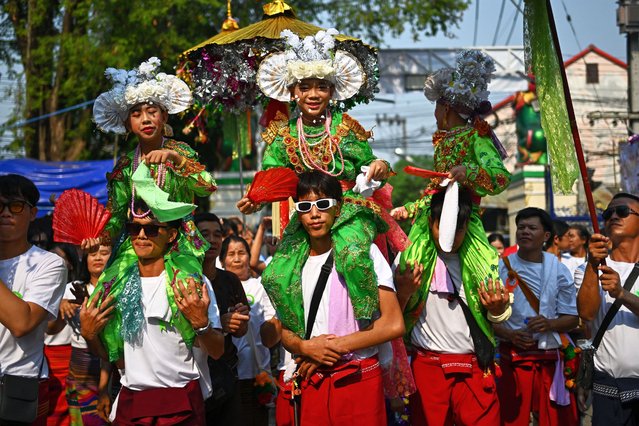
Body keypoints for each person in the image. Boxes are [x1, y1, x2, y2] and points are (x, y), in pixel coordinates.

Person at [239, 29, 407, 332]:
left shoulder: (346, 127)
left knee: (354, 256)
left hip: (347, 209)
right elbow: (273, 176)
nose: (313, 94)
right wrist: (257, 197)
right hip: (307, 212)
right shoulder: (283, 136)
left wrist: (379, 165)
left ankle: (367, 322)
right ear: (293, 92)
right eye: (305, 87)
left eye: (321, 87)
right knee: (275, 274)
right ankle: (297, 332)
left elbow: (368, 162)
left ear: (332, 91)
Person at [87, 57, 217, 364]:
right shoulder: (122, 168)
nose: (145, 118)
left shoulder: (181, 151)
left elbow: (208, 186)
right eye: (137, 113)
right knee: (102, 296)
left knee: (184, 289)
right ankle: (120, 365)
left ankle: (190, 356)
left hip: (178, 240)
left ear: (164, 116)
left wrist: (175, 159)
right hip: (137, 239)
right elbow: (118, 215)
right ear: (128, 123)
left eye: (152, 111)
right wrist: (97, 238)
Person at [262, 170, 405, 425]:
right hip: (311, 378)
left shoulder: (364, 253)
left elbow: (393, 324)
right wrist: (304, 347)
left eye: (323, 204)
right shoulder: (290, 264)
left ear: (338, 209)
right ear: (298, 213)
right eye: (305, 206)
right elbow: (283, 326)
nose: (314, 214)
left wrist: (335, 346)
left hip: (358, 378)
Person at [398, 49, 511, 342]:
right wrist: (411, 208)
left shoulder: (476, 137)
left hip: (465, 218)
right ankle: (405, 332)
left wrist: (468, 171)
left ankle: (490, 325)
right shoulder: (443, 143)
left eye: (436, 108)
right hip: (431, 218)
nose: (434, 115)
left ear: (446, 108)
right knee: (410, 264)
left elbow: (500, 178)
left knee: (484, 267)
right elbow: (438, 189)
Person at [80, 198, 225, 424]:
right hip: (131, 398)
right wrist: (89, 334)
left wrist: (201, 324)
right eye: (134, 228)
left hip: (181, 399)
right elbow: (109, 354)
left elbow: (217, 350)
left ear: (172, 235)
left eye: (151, 229)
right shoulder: (115, 286)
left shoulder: (192, 284)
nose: (141, 235)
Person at [396, 187, 511, 426]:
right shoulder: (408, 261)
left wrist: (498, 309)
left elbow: (499, 318)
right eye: (443, 227)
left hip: (476, 367)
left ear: (468, 225)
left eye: (459, 229)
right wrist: (404, 293)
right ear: (430, 221)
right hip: (428, 370)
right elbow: (392, 319)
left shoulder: (485, 263)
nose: (451, 237)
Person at [494, 207, 579, 426]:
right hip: (511, 357)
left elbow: (572, 318)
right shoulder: (499, 268)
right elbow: (484, 317)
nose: (525, 232)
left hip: (548, 361)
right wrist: (509, 335)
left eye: (532, 228)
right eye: (521, 227)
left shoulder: (559, 270)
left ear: (547, 236)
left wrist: (549, 323)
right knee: (511, 420)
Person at [0, 174, 67, 426]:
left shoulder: (49, 264)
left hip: (16, 388)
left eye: (15, 206)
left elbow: (22, 322)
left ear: (32, 213)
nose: (6, 213)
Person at [577, 193, 639, 425]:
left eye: (623, 211)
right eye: (608, 213)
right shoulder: (591, 269)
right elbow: (586, 315)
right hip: (608, 388)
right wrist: (593, 266)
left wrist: (622, 294)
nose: (613, 216)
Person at [194, 213, 251, 426]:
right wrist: (218, 324)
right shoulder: (183, 280)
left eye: (217, 235)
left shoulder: (230, 280)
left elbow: (242, 330)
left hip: (226, 376)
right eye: (204, 234)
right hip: (193, 377)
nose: (212, 240)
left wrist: (239, 323)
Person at [48, 245, 113, 425]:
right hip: (80, 366)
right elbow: (51, 329)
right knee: (80, 421)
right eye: (92, 254)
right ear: (85, 260)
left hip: (109, 364)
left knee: (104, 418)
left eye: (104, 253)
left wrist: (103, 388)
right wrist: (62, 307)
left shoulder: (117, 289)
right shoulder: (72, 289)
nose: (98, 257)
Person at [220, 235, 280, 426]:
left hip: (256, 374)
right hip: (228, 376)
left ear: (250, 257)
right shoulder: (216, 288)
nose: (237, 259)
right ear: (222, 260)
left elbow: (271, 326)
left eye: (241, 253)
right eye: (231, 254)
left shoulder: (261, 286)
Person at [45, 242, 81, 426]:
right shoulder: (40, 286)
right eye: (49, 256)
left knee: (66, 412)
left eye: (59, 258)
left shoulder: (75, 287)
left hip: (68, 358)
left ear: (71, 264)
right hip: (43, 358)